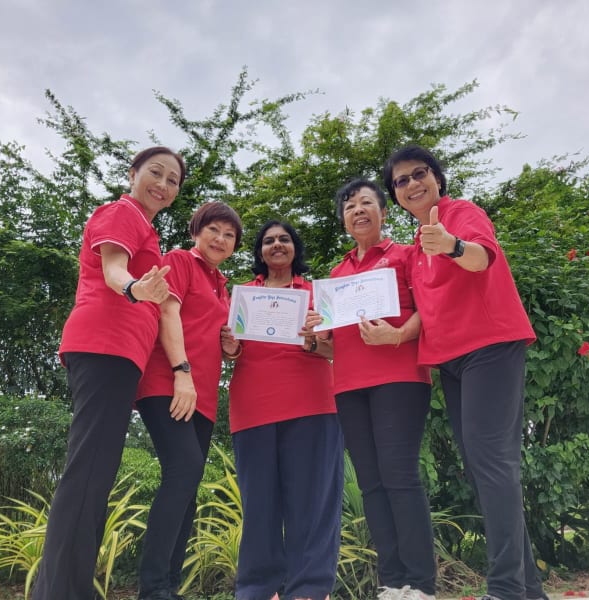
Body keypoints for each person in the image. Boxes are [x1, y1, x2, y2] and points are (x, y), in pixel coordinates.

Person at [383, 144, 548, 600]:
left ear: (437, 178)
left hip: (490, 346)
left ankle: (505, 589)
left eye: (420, 174)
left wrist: (452, 245)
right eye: (401, 181)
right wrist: (394, 335)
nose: (413, 184)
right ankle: (528, 591)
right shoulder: (417, 246)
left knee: (492, 464)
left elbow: (482, 257)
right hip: (451, 359)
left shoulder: (460, 214)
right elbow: (426, 309)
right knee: (483, 469)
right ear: (395, 194)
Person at [32, 146, 185, 600]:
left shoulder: (144, 225)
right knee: (89, 471)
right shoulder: (123, 213)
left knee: (95, 471)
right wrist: (137, 288)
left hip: (119, 356)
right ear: (132, 173)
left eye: (173, 180)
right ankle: (61, 592)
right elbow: (114, 268)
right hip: (104, 345)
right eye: (155, 173)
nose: (163, 184)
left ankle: (64, 588)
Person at [327, 179, 436, 600]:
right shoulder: (336, 275)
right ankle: (391, 581)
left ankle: (421, 583)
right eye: (350, 205)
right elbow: (333, 341)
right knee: (371, 483)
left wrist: (396, 337)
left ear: (383, 212)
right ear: (344, 220)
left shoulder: (406, 256)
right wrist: (314, 334)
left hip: (400, 379)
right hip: (348, 386)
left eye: (367, 203)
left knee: (400, 477)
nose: (358, 210)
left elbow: (429, 311)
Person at [227, 220, 344, 600]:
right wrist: (228, 344)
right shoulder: (241, 297)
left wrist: (314, 340)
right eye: (268, 240)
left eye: (285, 239)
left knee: (312, 504)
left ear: (295, 248)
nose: (277, 245)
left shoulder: (316, 294)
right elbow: (229, 351)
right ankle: (258, 590)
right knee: (259, 505)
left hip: (312, 405)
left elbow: (338, 352)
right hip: (252, 407)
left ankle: (308, 590)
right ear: (259, 251)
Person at [135, 201, 243, 600]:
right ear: (197, 231)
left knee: (188, 481)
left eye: (229, 235)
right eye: (213, 230)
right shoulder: (180, 261)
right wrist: (182, 372)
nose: (220, 239)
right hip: (169, 382)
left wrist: (231, 348)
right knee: (184, 469)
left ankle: (167, 586)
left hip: (204, 394)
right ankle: (152, 588)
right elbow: (167, 311)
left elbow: (222, 339)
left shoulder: (222, 284)